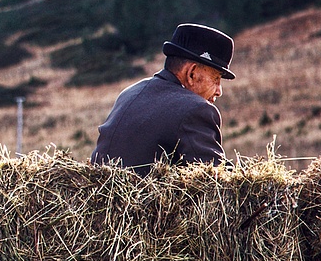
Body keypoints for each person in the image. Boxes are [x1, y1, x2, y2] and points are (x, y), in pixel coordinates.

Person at [91, 23, 235, 173]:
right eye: (216, 79)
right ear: (191, 73)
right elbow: (215, 178)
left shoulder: (129, 93)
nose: (219, 91)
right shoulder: (196, 110)